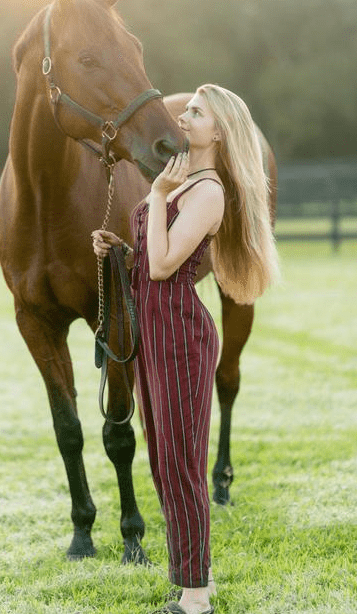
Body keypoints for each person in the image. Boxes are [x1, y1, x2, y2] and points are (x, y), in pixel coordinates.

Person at [92, 84, 279, 614]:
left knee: (181, 466)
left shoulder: (209, 192)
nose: (184, 116)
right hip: (155, 331)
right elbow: (148, 262)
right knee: (163, 464)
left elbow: (165, 266)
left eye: (196, 112)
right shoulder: (182, 183)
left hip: (180, 337)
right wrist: (119, 252)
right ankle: (195, 578)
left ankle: (195, 596)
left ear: (217, 131)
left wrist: (152, 198)